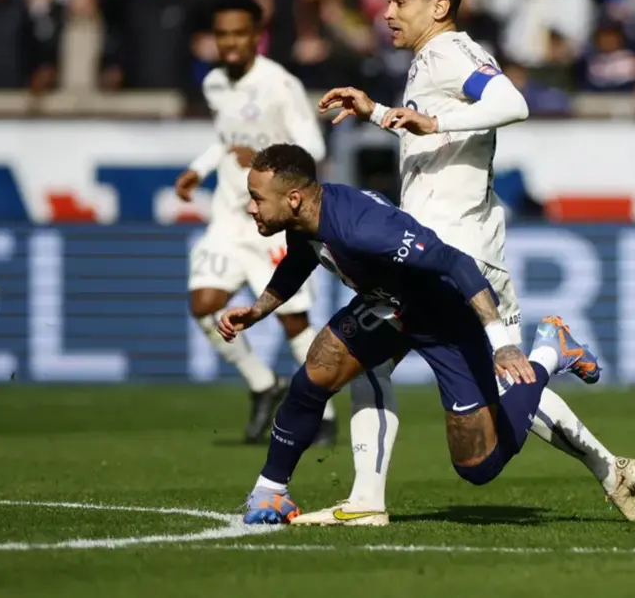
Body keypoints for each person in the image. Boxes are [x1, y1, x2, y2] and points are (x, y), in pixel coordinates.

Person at [306, 0, 635, 524]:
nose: (387, 11)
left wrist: (434, 124)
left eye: (400, 0)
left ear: (438, 6)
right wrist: (377, 112)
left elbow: (512, 103)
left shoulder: (449, 51)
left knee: (400, 371)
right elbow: (429, 136)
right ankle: (604, 462)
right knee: (474, 377)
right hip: (432, 246)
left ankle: (547, 356)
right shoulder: (426, 61)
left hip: (457, 252)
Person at [220, 143, 602, 524]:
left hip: (443, 319)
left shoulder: (364, 229)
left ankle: (551, 352)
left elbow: (455, 261)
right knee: (314, 375)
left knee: (477, 466)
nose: (251, 207)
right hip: (387, 308)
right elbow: (299, 262)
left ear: (294, 197)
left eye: (256, 198)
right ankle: (271, 491)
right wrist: (257, 311)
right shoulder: (305, 219)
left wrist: (502, 345)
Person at [175, 0, 337, 445]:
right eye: (221, 33)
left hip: (273, 221)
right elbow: (228, 142)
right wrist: (198, 168)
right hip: (228, 216)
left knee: (292, 323)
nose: (229, 42)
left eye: (238, 33)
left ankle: (322, 414)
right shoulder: (213, 84)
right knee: (204, 304)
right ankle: (263, 384)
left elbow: (314, 150)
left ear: (256, 35)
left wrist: (265, 160)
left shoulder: (279, 85)